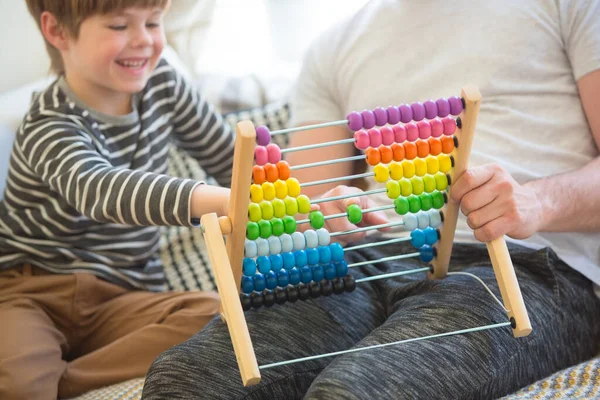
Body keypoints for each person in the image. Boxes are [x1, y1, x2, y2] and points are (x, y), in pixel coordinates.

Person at [142, 0, 600, 399]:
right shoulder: (334, 46)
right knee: (184, 380)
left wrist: (537, 202)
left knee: (356, 391)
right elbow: (307, 208)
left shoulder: (568, 4)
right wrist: (321, 214)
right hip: (369, 263)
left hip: (525, 266)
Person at [0, 0, 236, 398]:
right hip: (33, 293)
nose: (144, 40)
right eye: (118, 26)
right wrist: (212, 201)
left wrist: (290, 195)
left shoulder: (165, 85)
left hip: (125, 296)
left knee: (218, 315)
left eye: (153, 22)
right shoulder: (48, 124)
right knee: (21, 380)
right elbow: (102, 190)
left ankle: (64, 380)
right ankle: (42, 374)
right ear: (57, 31)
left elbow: (231, 159)